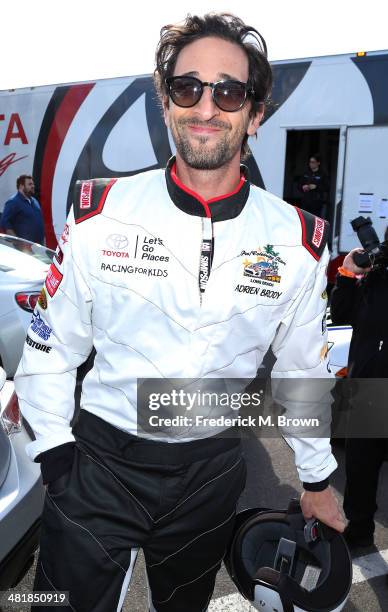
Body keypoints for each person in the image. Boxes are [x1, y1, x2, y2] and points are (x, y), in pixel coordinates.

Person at [14, 13, 344, 612]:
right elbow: (49, 345)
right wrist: (55, 456)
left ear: (255, 113)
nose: (207, 106)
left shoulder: (297, 240)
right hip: (96, 465)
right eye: (188, 88)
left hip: (211, 476)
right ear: (166, 103)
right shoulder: (99, 213)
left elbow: (305, 378)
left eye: (230, 91)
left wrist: (318, 481)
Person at [330, 244, 388, 549]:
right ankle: (359, 528)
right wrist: (348, 274)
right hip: (367, 392)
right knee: (359, 468)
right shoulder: (373, 280)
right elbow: (340, 314)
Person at [1, 174, 45, 244]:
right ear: (21, 186)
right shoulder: (13, 202)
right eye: (30, 184)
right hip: (24, 247)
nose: (33, 186)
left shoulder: (34, 201)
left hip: (39, 246)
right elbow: (5, 223)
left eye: (33, 184)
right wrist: (17, 242)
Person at [298, 154, 329, 218]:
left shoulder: (323, 174)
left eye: (313, 162)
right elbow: (299, 185)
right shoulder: (305, 173)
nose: (311, 164)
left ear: (318, 163)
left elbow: (327, 187)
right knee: (305, 220)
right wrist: (302, 187)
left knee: (315, 221)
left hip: (317, 204)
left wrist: (316, 187)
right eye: (310, 162)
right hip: (305, 202)